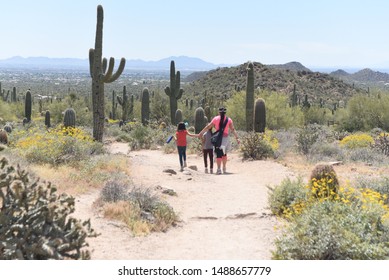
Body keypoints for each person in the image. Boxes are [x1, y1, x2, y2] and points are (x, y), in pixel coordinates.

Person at [198, 107, 240, 175]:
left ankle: (218, 169)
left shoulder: (215, 119)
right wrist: (237, 138)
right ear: (225, 113)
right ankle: (224, 168)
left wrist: (201, 133)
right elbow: (233, 129)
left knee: (218, 154)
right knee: (224, 154)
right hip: (225, 139)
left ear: (219, 112)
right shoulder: (229, 120)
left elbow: (208, 127)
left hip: (218, 138)